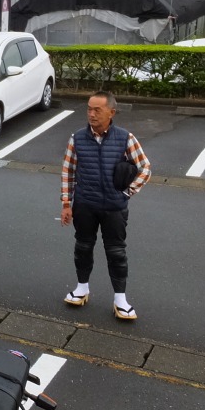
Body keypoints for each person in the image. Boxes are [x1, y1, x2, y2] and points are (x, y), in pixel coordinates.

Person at [61, 91, 151, 320]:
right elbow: (68, 171)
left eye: (97, 110)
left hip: (114, 207)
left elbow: (145, 168)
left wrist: (128, 192)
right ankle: (82, 288)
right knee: (83, 247)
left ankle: (120, 299)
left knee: (116, 252)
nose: (91, 114)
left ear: (111, 112)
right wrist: (66, 203)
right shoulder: (77, 138)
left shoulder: (125, 138)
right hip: (85, 205)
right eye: (89, 109)